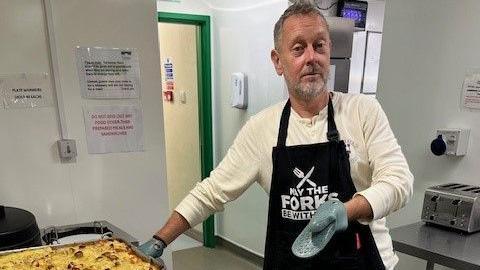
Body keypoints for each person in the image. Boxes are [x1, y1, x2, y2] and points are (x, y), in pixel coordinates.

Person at [140, 1, 413, 269]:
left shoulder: (362, 111)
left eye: (319, 46)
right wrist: (160, 240)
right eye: (298, 48)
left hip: (362, 260)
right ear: (278, 61)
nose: (311, 58)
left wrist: (347, 210)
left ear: (329, 52)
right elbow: (210, 193)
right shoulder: (261, 129)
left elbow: (399, 181)